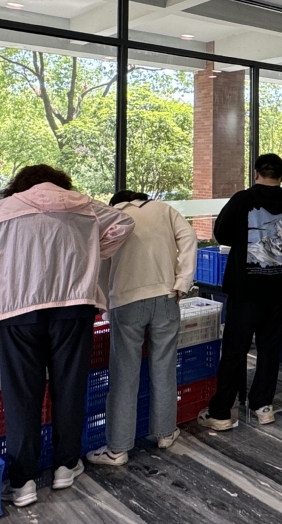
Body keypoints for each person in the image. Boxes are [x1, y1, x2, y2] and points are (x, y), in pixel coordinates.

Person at [0, 165, 135, 508]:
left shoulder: (2, 210)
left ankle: (23, 482)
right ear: (61, 183)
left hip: (18, 311)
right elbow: (124, 223)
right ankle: (65, 466)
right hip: (74, 307)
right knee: (69, 388)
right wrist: (94, 249)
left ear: (21, 185)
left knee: (22, 395)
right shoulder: (84, 206)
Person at [87, 190, 198, 467]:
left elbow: (101, 265)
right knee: (164, 367)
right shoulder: (163, 210)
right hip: (166, 296)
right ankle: (165, 433)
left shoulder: (111, 217)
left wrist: (106, 305)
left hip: (126, 302)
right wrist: (183, 281)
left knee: (124, 375)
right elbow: (189, 236)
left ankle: (117, 449)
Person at [198, 153, 282, 430]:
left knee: (235, 349)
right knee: (270, 349)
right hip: (279, 289)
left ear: (256, 173)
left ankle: (221, 413)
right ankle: (263, 406)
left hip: (245, 289)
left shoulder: (242, 200)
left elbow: (222, 233)